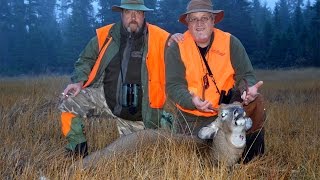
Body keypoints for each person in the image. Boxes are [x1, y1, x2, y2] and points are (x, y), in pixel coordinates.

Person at [58, 0, 172, 157]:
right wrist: (79, 81)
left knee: (133, 158)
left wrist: (180, 40)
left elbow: (183, 57)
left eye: (137, 13)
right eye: (128, 12)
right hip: (105, 98)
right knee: (68, 101)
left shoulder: (160, 38)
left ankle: (164, 122)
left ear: (144, 15)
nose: (133, 17)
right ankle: (78, 149)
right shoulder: (106, 35)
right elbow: (85, 59)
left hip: (137, 112)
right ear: (121, 14)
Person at [164, 0, 266, 163]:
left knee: (256, 101)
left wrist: (247, 89)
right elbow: (174, 85)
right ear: (187, 23)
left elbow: (245, 74)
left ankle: (252, 159)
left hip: (227, 110)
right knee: (193, 158)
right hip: (192, 115)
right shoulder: (177, 47)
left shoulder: (230, 42)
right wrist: (192, 101)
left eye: (204, 18)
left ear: (213, 21)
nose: (199, 24)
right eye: (194, 19)